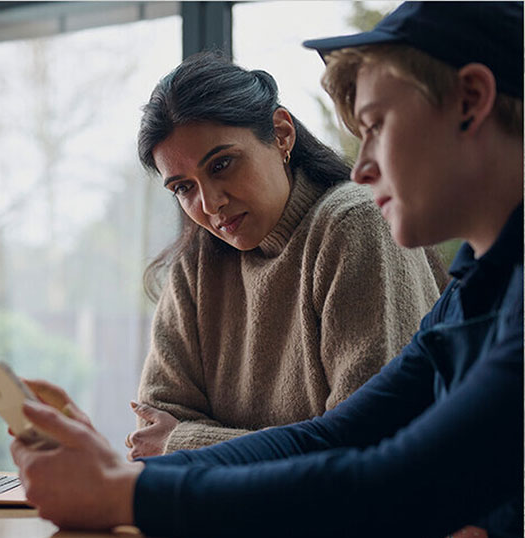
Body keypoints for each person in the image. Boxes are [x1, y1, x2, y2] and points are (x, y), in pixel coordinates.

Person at [10, 3, 523, 538]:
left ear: (471, 100)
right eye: (183, 188)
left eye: (376, 125)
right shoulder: (477, 287)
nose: (361, 168)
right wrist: (122, 471)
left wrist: (129, 490)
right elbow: (333, 437)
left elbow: (384, 491)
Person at [126, 52, 446, 463]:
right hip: (247, 509)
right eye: (183, 188)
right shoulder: (198, 265)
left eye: (221, 165)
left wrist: (190, 442)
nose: (210, 204)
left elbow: (370, 449)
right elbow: (152, 434)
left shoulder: (355, 224)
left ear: (281, 135)